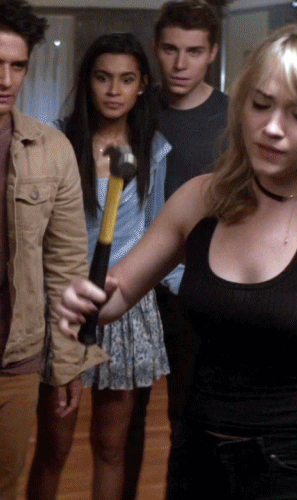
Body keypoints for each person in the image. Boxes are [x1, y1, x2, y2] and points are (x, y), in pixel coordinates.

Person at [58, 24, 297, 500]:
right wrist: (83, 298)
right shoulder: (200, 199)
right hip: (197, 460)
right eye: (261, 104)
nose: (272, 128)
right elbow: (115, 295)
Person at [27, 33, 170, 500]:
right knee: (54, 447)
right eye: (103, 77)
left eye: (126, 79)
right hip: (65, 303)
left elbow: (157, 230)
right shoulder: (57, 141)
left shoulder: (154, 147)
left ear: (142, 86)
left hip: (125, 303)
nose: (113, 90)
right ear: (87, 81)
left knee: (111, 447)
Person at [0, 1, 108, 499]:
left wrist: (67, 361)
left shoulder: (51, 149)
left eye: (18, 66)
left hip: (15, 356)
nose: (5, 80)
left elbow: (67, 267)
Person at [123, 3, 229, 497]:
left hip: (200, 288)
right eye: (170, 49)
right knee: (123, 421)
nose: (180, 64)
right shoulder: (134, 107)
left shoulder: (234, 118)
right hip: (134, 282)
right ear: (155, 48)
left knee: (190, 420)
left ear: (212, 53)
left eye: (194, 51)